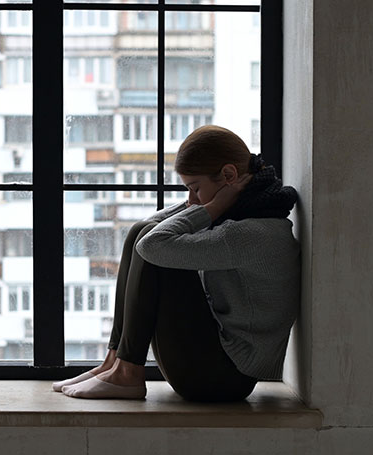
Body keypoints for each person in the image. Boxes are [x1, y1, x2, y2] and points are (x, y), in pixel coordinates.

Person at [53, 125, 300, 402]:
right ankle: (114, 363)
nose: (191, 200)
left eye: (195, 188)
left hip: (223, 378)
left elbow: (152, 245)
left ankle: (127, 374)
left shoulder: (247, 233)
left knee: (152, 245)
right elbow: (150, 229)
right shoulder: (247, 215)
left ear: (229, 175)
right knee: (140, 229)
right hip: (217, 366)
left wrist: (211, 208)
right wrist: (203, 206)